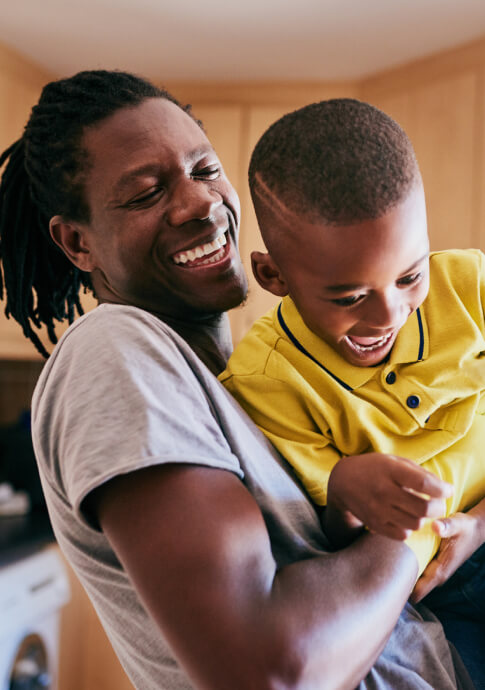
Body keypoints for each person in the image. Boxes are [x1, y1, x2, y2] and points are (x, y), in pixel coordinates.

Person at [0, 71, 474, 690]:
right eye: (146, 193)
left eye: (204, 169)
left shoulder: (247, 380)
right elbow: (270, 672)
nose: (199, 202)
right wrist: (424, 522)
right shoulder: (115, 353)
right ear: (77, 242)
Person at [220, 98, 485, 686]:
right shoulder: (264, 380)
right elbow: (321, 531)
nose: (386, 314)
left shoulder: (471, 284)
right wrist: (343, 487)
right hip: (435, 590)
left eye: (410, 275)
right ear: (273, 277)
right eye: (347, 297)